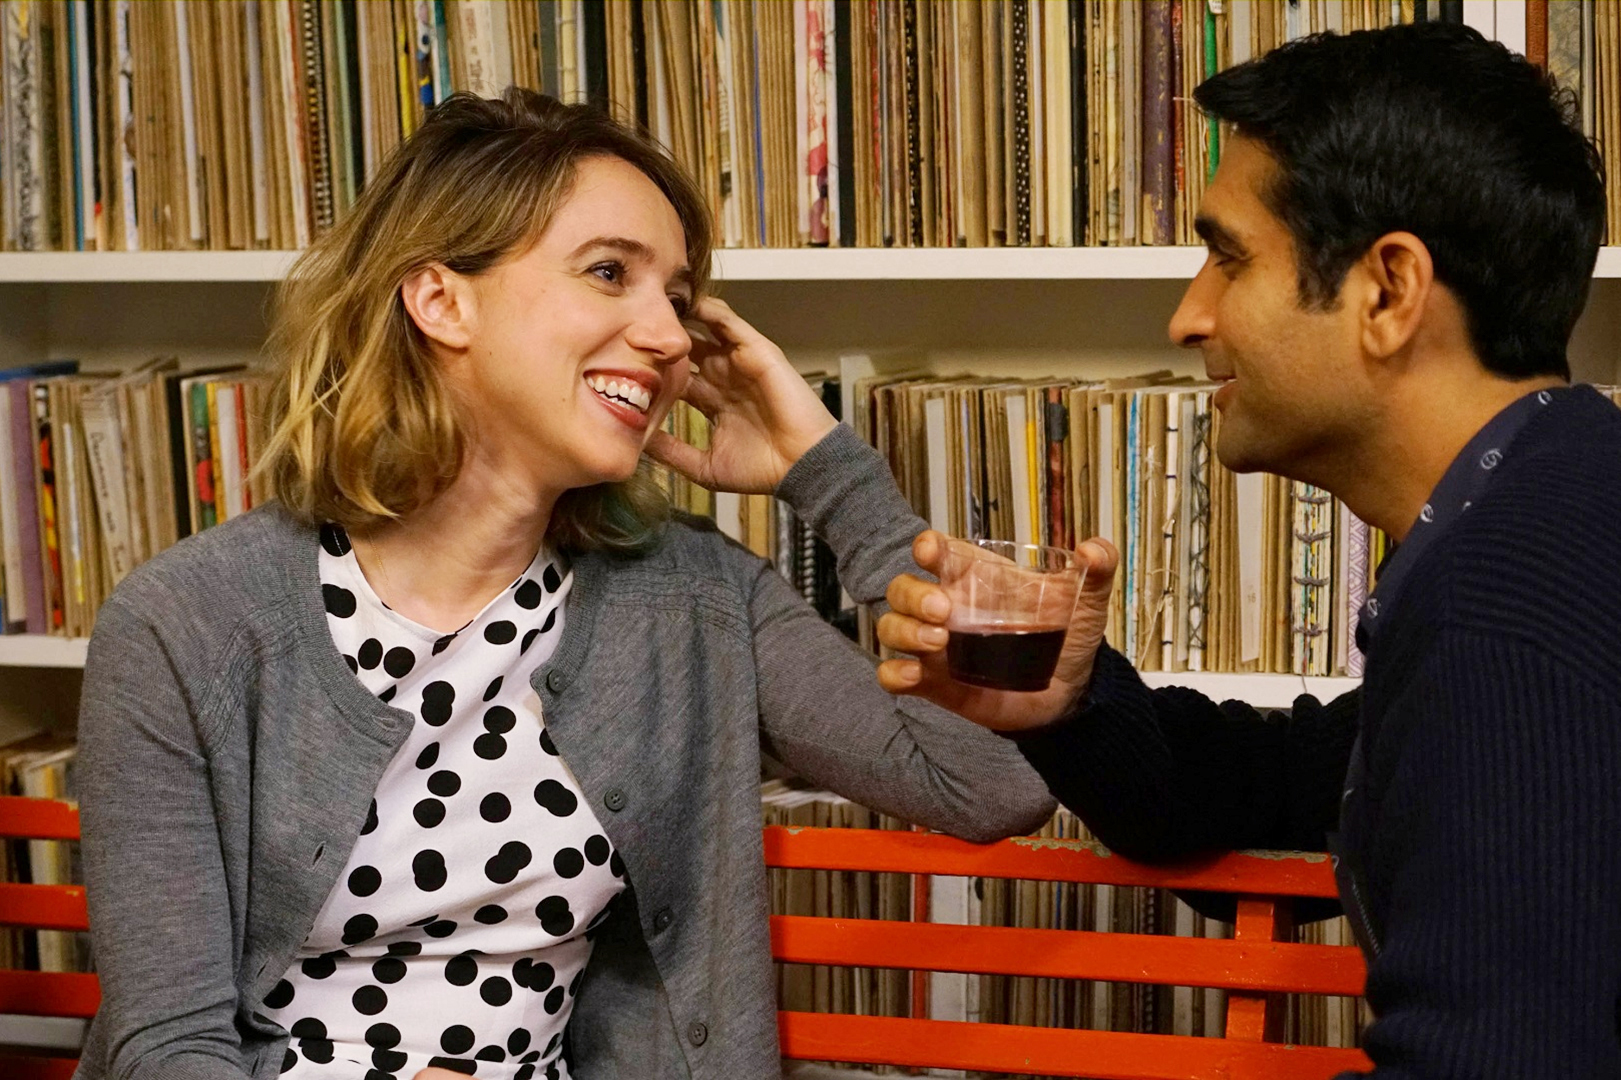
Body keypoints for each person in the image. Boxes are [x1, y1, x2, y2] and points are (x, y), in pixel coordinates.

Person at [875, 22, 1621, 1077]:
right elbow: (1275, 784)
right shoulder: (1558, 513)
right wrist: (1071, 700)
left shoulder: (1525, 600)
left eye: (1229, 258)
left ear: (1388, 291)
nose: (1188, 315)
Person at [73, 88, 1054, 1080]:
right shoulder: (186, 625)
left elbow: (991, 785)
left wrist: (828, 474)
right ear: (440, 301)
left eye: (677, 298)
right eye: (608, 273)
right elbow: (165, 1048)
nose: (670, 338)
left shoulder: (695, 601)